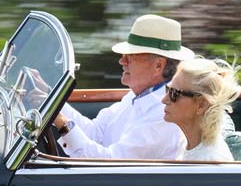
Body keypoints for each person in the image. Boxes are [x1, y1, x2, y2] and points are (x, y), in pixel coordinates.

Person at [58, 13, 189, 161]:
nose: (122, 61)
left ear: (158, 65)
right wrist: (52, 100)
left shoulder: (165, 114)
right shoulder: (134, 96)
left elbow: (111, 163)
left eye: (131, 56)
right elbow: (95, 133)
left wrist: (62, 123)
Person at [158, 53, 241, 162]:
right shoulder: (185, 142)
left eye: (174, 93)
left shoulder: (210, 160)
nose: (164, 100)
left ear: (202, 105)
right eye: (168, 90)